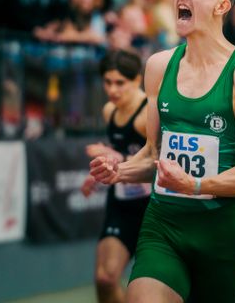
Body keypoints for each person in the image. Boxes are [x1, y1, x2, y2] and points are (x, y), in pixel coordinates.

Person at [90, 0, 235, 303]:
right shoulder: (159, 66)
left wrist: (196, 185)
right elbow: (152, 153)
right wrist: (121, 170)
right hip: (164, 224)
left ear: (222, 6)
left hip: (221, 232)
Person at [81, 49, 151, 303]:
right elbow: (118, 154)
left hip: (153, 208)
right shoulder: (110, 111)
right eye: (108, 82)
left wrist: (118, 160)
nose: (113, 90)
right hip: (122, 204)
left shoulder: (147, 115)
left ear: (136, 80)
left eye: (120, 82)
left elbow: (160, 164)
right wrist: (99, 173)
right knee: (105, 278)